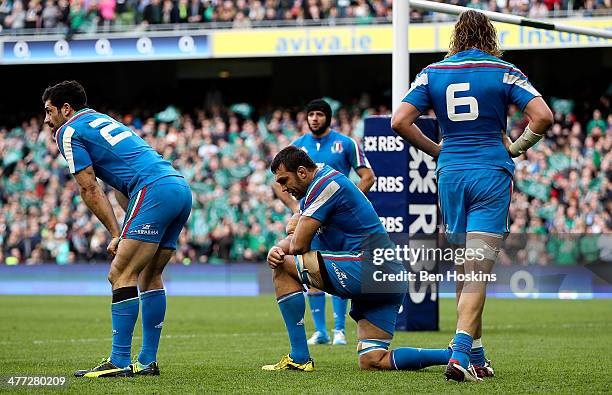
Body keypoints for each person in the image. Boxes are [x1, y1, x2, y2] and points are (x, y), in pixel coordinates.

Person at [391, 10, 553, 382]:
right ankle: (460, 351)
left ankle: (476, 354)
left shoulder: (433, 73)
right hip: (489, 173)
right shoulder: (503, 70)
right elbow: (542, 116)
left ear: (457, 37)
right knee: (478, 266)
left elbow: (399, 121)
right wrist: (517, 148)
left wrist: (437, 151)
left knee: (466, 266)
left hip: (451, 174)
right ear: (489, 35)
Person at [42, 80, 192, 377]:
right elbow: (123, 186)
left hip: (153, 190)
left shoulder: (67, 131)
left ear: (66, 109)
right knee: (150, 274)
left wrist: (116, 233)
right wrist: (126, 229)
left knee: (120, 274)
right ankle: (147, 361)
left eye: (49, 111)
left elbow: (89, 189)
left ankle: (120, 360)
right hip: (178, 186)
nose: (46, 120)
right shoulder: (100, 120)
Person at [263, 146, 451, 372]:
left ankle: (299, 357)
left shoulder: (324, 185)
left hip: (369, 267)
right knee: (373, 360)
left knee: (283, 267)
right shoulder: (314, 191)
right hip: (389, 277)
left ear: (302, 172)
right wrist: (278, 247)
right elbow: (296, 242)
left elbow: (300, 245)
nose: (282, 188)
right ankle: (454, 355)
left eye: (284, 180)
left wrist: (292, 234)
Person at [272, 99, 375, 346]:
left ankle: (339, 329)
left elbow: (368, 176)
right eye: (311, 115)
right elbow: (279, 184)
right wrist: (299, 210)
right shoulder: (297, 147)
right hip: (310, 219)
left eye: (319, 114)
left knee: (336, 265)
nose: (315, 118)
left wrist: (349, 204)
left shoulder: (347, 143)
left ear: (328, 117)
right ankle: (321, 331)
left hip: (336, 222)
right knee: (310, 262)